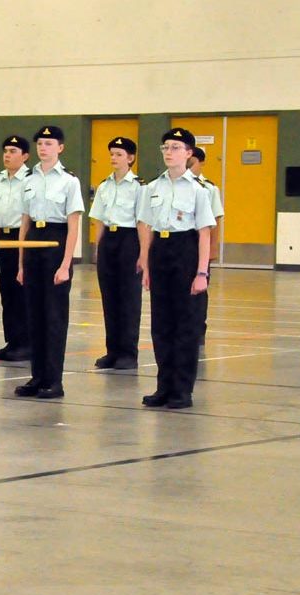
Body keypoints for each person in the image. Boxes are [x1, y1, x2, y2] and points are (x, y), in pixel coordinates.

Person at [137, 128, 215, 409]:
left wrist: (202, 272)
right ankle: (164, 387)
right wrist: (146, 265)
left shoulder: (198, 190)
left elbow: (205, 233)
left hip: (186, 251)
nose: (169, 152)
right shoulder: (152, 188)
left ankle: (182, 390)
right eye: (166, 147)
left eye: (175, 147)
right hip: (161, 252)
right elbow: (146, 227)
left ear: (188, 153)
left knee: (185, 326)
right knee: (161, 325)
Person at [14, 125, 83, 399]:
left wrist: (66, 264)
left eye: (49, 143)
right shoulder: (28, 180)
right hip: (33, 242)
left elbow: (74, 225)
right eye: (40, 143)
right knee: (35, 316)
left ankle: (53, 380)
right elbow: (24, 222)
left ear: (60, 148)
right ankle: (37, 376)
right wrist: (21, 264)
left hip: (56, 241)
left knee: (54, 317)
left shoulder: (69, 181)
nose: (43, 148)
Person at [89, 136, 144, 370]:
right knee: (109, 297)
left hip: (129, 239)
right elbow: (98, 219)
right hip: (109, 241)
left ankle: (128, 353)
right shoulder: (104, 186)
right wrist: (98, 248)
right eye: (112, 153)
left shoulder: (139, 187)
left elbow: (143, 222)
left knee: (128, 299)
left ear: (130, 158)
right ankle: (112, 351)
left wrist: (143, 253)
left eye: (119, 154)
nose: (114, 158)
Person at [0, 135, 32, 362]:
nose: (7, 155)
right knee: (7, 293)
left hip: (20, 237)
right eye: (5, 150)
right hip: (1, 239)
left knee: (21, 291)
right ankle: (12, 340)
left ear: (25, 156)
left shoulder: (31, 180)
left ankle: (26, 342)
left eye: (13, 151)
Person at [187, 146, 224, 352]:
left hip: (201, 241)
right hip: (181, 241)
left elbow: (215, 221)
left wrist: (213, 249)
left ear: (200, 162)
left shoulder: (209, 188)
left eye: (192, 162)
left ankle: (199, 329)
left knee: (199, 290)